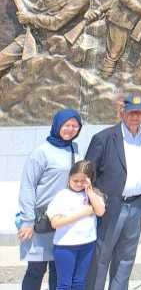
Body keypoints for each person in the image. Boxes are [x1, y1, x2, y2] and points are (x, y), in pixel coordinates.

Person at [85, 94, 141, 290]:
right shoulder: (104, 138)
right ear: (122, 113)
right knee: (102, 256)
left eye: (139, 113)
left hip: (137, 205)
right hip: (112, 206)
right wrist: (96, 200)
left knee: (126, 256)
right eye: (131, 112)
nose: (135, 117)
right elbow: (89, 173)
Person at [18, 109, 83, 290]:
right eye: (66, 125)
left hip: (64, 222)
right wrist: (27, 220)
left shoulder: (74, 149)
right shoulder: (41, 153)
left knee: (59, 270)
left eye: (75, 126)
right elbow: (28, 186)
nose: (70, 129)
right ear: (57, 125)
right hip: (41, 221)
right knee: (36, 269)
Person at [46, 160, 105, 290]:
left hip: (87, 244)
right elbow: (55, 223)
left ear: (89, 180)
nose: (78, 184)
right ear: (69, 178)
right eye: (75, 180)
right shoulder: (62, 196)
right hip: (65, 246)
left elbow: (100, 211)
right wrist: (83, 213)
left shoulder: (94, 195)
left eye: (83, 181)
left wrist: (90, 192)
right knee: (64, 284)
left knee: (79, 282)